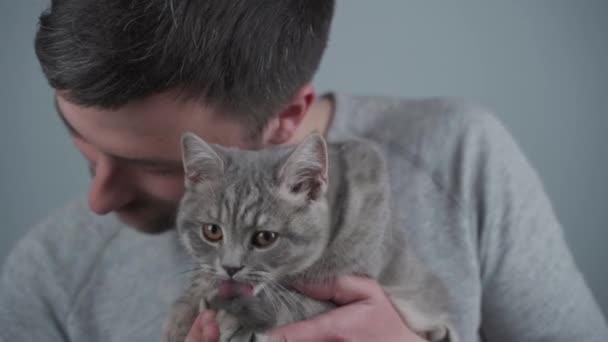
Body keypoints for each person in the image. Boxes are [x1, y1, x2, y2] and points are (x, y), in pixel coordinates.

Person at [1, 1, 606, 341]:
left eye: (157, 167)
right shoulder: (49, 275)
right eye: (79, 141)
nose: (98, 201)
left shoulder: (459, 158)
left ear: (288, 115)